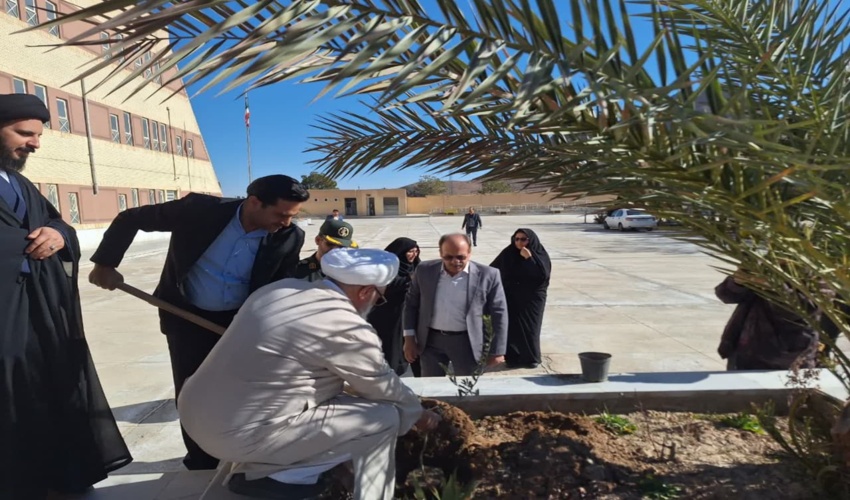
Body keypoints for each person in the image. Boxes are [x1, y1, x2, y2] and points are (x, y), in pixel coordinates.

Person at [177, 248, 441, 500]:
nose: (375, 303)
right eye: (379, 297)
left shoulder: (279, 290)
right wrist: (417, 413)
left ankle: (271, 468)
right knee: (384, 418)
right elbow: (380, 384)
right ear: (365, 292)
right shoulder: (342, 323)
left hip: (197, 414)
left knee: (356, 407)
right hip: (237, 432)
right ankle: (279, 477)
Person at [88, 174, 309, 471]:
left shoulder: (289, 237)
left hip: (239, 323)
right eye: (281, 213)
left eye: (292, 216)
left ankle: (241, 454)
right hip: (185, 317)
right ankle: (202, 461)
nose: (286, 222)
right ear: (254, 202)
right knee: (192, 392)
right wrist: (106, 263)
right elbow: (130, 218)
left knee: (241, 391)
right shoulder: (199, 210)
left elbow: (278, 287)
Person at [0, 93, 131, 497]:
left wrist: (59, 233)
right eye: (24, 133)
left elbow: (57, 220)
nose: (34, 144)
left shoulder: (17, 182)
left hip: (38, 315)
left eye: (38, 136)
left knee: (42, 393)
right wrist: (20, 247)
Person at [403, 233, 508, 377]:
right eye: (448, 257)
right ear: (440, 253)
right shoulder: (424, 270)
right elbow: (411, 304)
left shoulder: (488, 275)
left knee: (467, 390)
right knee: (432, 389)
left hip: (468, 343)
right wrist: (409, 339)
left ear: (469, 253)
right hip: (430, 342)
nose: (455, 261)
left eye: (461, 257)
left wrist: (498, 350)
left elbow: (499, 314)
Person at [716, 269, 819, 370]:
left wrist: (774, 287)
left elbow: (803, 309)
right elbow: (726, 296)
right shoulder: (760, 265)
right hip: (744, 352)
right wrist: (737, 282)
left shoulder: (814, 272)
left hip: (785, 359)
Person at [490, 228, 551, 368]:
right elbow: (493, 270)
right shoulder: (508, 253)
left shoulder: (538, 254)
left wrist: (529, 259)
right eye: (516, 239)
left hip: (532, 299)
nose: (519, 242)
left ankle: (531, 358)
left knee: (531, 328)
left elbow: (542, 277)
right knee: (511, 328)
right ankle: (513, 357)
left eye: (523, 239)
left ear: (531, 240)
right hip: (511, 297)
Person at [367, 237, 421, 375]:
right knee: (391, 346)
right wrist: (408, 280)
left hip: (410, 313)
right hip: (389, 314)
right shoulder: (387, 268)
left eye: (416, 251)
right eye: (410, 252)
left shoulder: (417, 266)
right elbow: (385, 285)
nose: (413, 255)